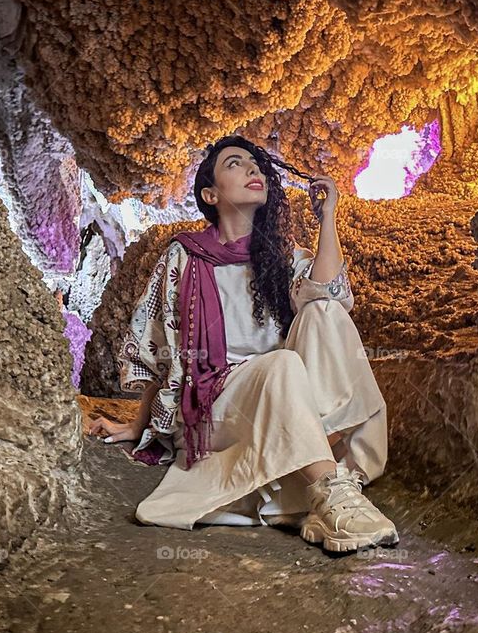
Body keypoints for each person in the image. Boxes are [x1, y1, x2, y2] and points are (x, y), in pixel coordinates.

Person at [89, 135, 399, 554]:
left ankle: (324, 483)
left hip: (288, 400)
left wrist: (329, 217)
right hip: (219, 408)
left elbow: (331, 292)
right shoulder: (185, 256)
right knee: (282, 364)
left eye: (257, 165)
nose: (253, 170)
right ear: (210, 194)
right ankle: (333, 495)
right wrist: (138, 428)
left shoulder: (281, 258)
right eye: (236, 164)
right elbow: (158, 350)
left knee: (324, 311)